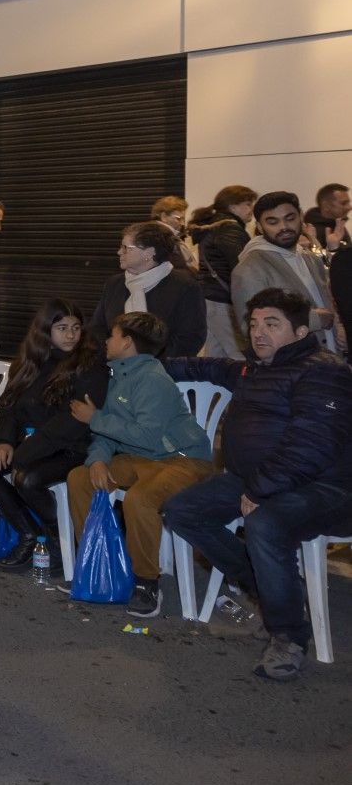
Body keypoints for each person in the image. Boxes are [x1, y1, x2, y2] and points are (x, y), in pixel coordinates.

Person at [162, 288, 352, 682]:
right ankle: (266, 587)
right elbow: (205, 368)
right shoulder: (253, 369)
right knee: (182, 510)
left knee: (265, 522)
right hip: (260, 481)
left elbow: (312, 446)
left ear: (300, 332)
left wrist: (259, 490)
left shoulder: (323, 371)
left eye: (272, 324)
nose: (258, 332)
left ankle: (287, 636)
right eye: (253, 324)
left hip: (325, 488)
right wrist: (142, 363)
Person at [64, 311, 212, 618]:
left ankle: (147, 582)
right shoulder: (120, 375)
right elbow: (107, 433)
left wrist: (96, 418)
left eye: (113, 335)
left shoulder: (152, 380)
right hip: (143, 458)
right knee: (80, 478)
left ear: (128, 343)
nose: (106, 340)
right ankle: (96, 565)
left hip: (184, 460)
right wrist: (98, 461)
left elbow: (145, 434)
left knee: (140, 499)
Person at [0, 298, 109, 570]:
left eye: (75, 327)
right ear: (45, 330)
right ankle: (29, 534)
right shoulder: (30, 361)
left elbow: (72, 423)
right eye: (62, 328)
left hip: (74, 447)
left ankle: (58, 540)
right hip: (35, 444)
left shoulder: (89, 365)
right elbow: (9, 405)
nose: (71, 334)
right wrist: (3, 441)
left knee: (27, 480)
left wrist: (24, 453)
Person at [230, 191, 339, 356]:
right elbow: (250, 329)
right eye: (273, 222)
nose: (284, 227)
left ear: (301, 217)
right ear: (259, 227)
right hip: (291, 369)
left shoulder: (309, 258)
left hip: (329, 359)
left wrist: (339, 328)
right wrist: (314, 320)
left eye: (290, 218)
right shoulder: (250, 268)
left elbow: (328, 304)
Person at [88, 221, 205, 358]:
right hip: (114, 368)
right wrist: (113, 355)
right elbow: (97, 328)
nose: (119, 252)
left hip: (162, 371)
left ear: (149, 253)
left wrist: (146, 364)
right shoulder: (114, 283)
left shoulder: (185, 286)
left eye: (126, 248)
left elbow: (191, 338)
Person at [190, 184, 256, 358]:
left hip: (211, 297)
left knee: (215, 355)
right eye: (248, 204)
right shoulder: (230, 228)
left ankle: (212, 385)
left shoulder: (213, 226)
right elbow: (241, 266)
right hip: (223, 300)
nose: (251, 209)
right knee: (239, 353)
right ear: (232, 206)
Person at [149, 195, 198, 270]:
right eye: (178, 219)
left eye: (183, 219)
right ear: (164, 217)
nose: (182, 223)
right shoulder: (161, 238)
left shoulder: (157, 235)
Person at [303, 182, 349, 254]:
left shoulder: (337, 225)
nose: (349, 207)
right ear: (326, 206)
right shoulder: (311, 232)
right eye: (343, 203)